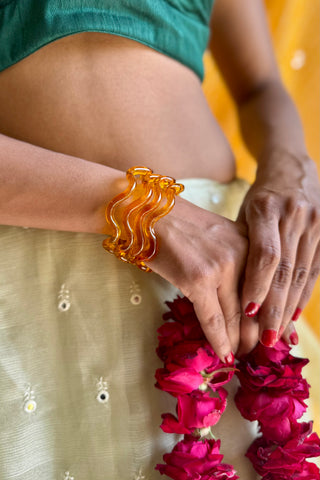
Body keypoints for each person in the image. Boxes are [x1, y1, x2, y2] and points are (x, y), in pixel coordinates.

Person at [0, 1, 319, 479]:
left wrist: (294, 170)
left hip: (215, 268)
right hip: (29, 268)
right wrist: (149, 213)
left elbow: (260, 87)